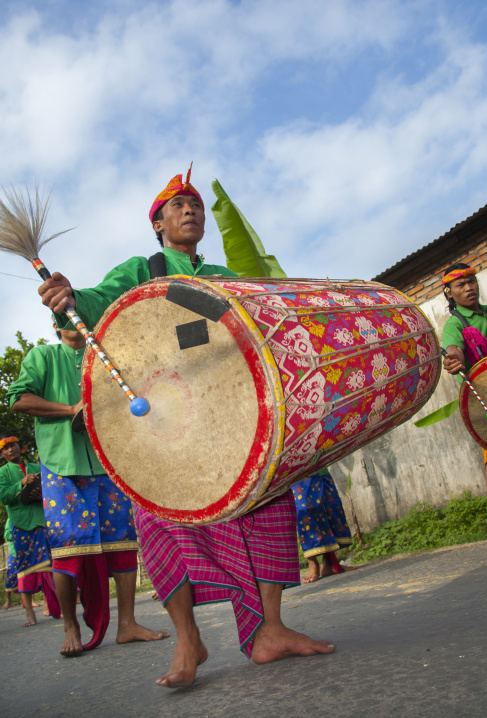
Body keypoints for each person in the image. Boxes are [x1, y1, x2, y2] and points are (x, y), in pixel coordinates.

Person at [38, 165, 335, 686]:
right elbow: (94, 302)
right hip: (167, 422)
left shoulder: (225, 278)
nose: (190, 210)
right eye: (177, 205)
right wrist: (69, 298)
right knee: (160, 520)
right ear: (157, 224)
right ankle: (188, 640)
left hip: (234, 415)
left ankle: (269, 629)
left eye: (195, 204)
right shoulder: (143, 270)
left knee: (267, 504)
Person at [7, 326, 168, 656]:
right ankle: (70, 626)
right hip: (61, 466)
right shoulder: (43, 356)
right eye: (62, 314)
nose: (70, 319)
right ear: (54, 324)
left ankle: (127, 624)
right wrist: (70, 410)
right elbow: (18, 399)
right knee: (67, 547)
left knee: (124, 541)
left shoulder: (106, 356)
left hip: (108, 460)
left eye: (75, 311)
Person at [441, 262, 487, 554]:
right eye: (461, 285)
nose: (469, 288)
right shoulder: (455, 324)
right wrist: (454, 358)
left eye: (471, 281)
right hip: (484, 399)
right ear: (450, 293)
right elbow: (453, 349)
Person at [0, 435, 60, 626]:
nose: (11, 450)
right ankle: (29, 614)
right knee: (24, 567)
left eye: (13, 445)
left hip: (43, 520)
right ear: (2, 453)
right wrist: (22, 484)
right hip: (21, 524)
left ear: (20, 446)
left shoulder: (36, 467)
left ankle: (49, 605)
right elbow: (4, 496)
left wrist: (41, 494)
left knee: (50, 563)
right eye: (6, 448)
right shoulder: (3, 472)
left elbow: (52, 489)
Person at [292, 469, 355, 583]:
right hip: (297, 469)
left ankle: (330, 563)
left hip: (319, 466)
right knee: (304, 510)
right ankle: (312, 563)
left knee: (331, 506)